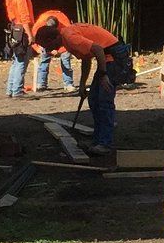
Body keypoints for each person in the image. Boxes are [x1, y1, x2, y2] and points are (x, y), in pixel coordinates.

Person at [32, 11, 136, 157]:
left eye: (47, 46)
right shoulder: (67, 38)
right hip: (108, 56)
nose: (47, 50)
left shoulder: (70, 38)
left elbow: (98, 50)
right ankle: (98, 140)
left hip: (114, 56)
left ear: (53, 38)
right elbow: (87, 58)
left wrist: (103, 74)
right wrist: (82, 85)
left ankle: (104, 144)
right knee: (93, 98)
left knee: (103, 101)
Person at [3, 0, 36, 99]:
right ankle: (17, 90)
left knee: (16, 60)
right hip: (22, 30)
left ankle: (10, 89)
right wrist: (30, 35)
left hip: (14, 29)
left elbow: (12, 15)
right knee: (22, 60)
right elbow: (24, 17)